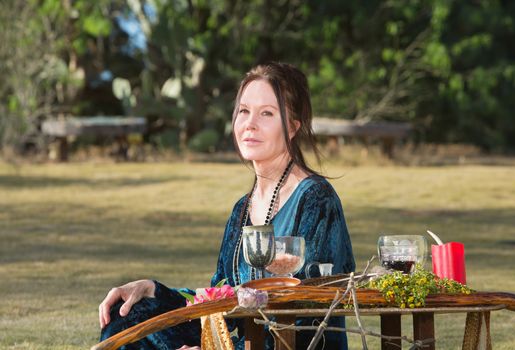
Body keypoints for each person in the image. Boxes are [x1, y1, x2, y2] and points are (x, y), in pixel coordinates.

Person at [98, 62, 355, 350]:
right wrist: (154, 291)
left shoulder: (317, 200)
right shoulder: (241, 211)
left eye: (267, 113)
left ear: (293, 126)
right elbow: (221, 298)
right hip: (242, 343)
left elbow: (314, 310)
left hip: (293, 345)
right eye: (244, 111)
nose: (250, 124)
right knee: (128, 318)